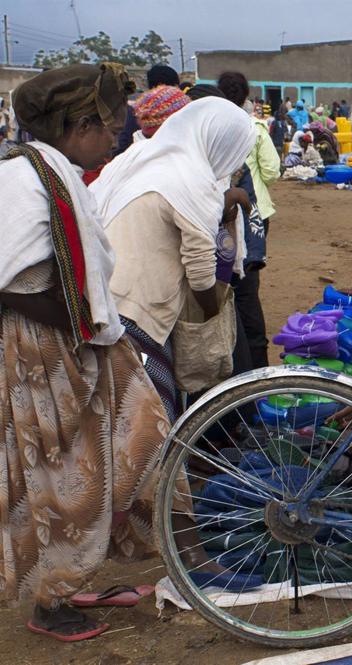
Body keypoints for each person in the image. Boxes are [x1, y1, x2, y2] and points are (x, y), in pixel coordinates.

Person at [0, 62, 173, 642]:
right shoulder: (29, 180)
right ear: (78, 126)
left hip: (74, 336)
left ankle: (79, 573)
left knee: (138, 437)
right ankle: (52, 600)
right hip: (44, 348)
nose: (119, 135)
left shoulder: (51, 172)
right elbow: (8, 280)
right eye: (111, 124)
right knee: (63, 474)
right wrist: (79, 324)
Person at [91, 98, 257, 421]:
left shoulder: (143, 157)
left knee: (113, 420)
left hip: (99, 300)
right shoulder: (192, 180)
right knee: (150, 426)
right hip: (138, 315)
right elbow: (201, 275)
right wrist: (213, 318)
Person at [218, 71, 280, 370]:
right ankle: (255, 376)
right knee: (245, 294)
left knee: (224, 296)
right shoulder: (253, 127)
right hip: (252, 217)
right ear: (245, 96)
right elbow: (271, 169)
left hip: (227, 222)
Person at [115, 64, 179, 155]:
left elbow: (121, 145)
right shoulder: (178, 111)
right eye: (176, 86)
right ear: (162, 86)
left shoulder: (134, 111)